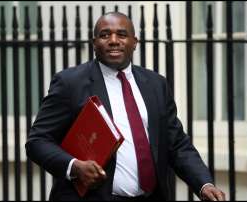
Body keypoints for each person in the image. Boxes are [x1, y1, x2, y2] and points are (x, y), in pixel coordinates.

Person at [26, 12, 225, 201]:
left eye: (122, 34)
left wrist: (204, 184)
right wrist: (74, 166)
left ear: (134, 42)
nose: (113, 40)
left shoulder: (156, 84)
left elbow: (177, 144)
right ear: (94, 43)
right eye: (104, 35)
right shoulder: (70, 83)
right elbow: (38, 141)